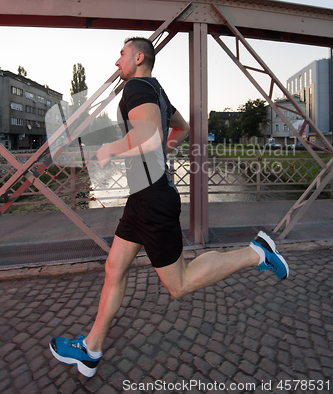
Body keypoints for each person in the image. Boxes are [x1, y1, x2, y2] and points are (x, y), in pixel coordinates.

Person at [49, 37, 289, 377]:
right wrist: (161, 152)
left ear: (139, 57)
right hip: (142, 198)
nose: (117, 62)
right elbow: (183, 128)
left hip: (151, 200)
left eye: (122, 55)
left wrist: (109, 150)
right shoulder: (157, 91)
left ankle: (257, 253)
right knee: (114, 269)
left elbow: (145, 137)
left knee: (180, 283)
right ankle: (91, 349)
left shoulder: (136, 88)